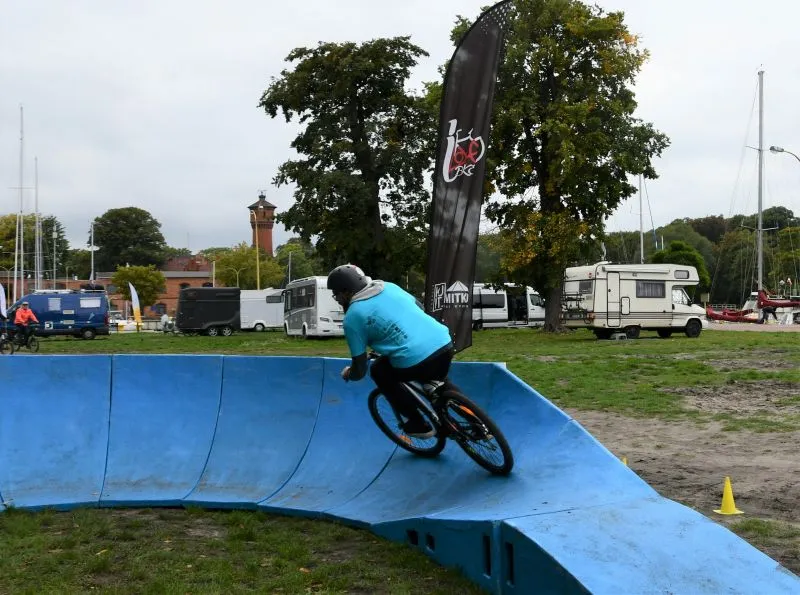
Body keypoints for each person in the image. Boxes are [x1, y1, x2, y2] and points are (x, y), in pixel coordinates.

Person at [328, 264, 455, 439]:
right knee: (438, 380)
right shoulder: (389, 287)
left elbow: (360, 367)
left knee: (379, 370)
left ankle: (418, 424)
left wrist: (350, 373)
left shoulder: (352, 317)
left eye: (336, 294)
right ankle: (479, 426)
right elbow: (419, 307)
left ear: (346, 292)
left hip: (415, 360)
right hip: (443, 343)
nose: (337, 299)